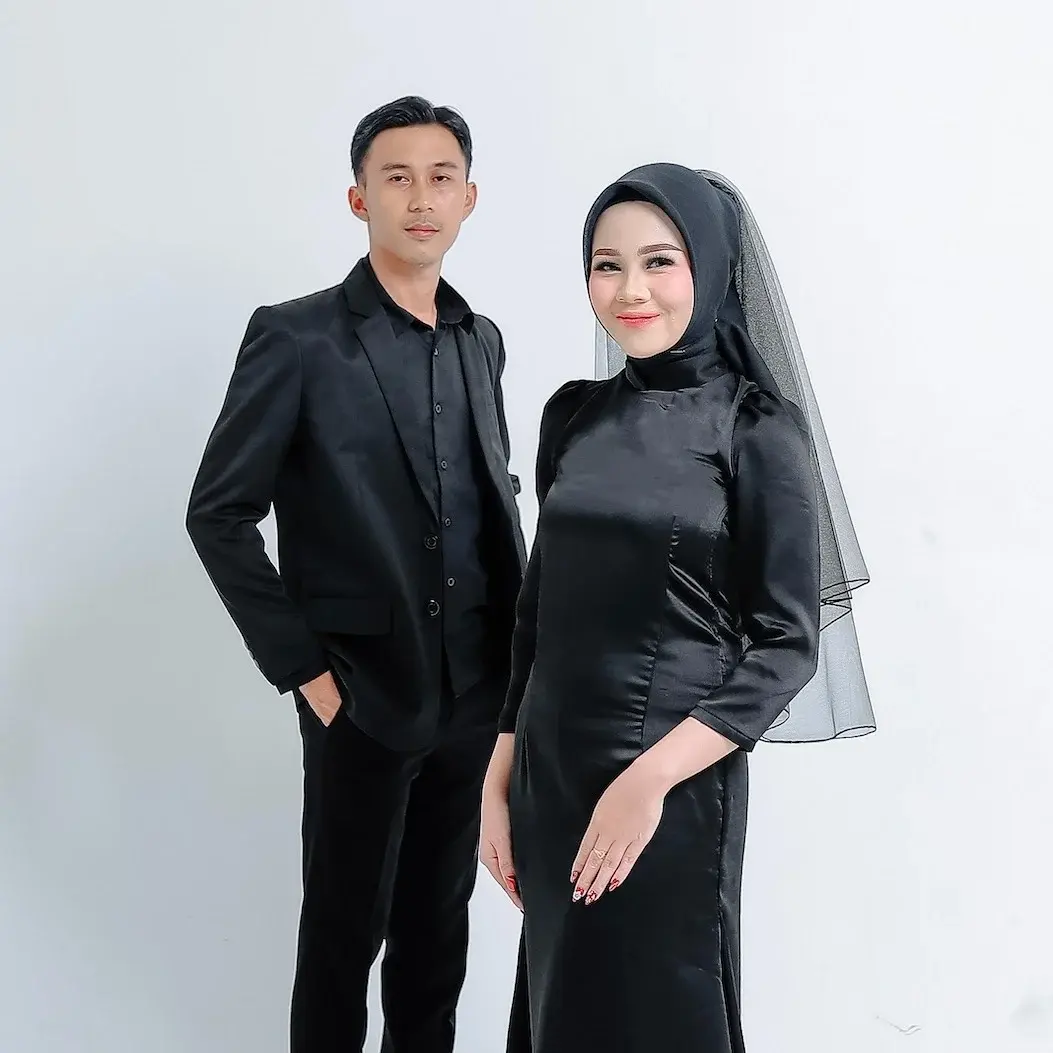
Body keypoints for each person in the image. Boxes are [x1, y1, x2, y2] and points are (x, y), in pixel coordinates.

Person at [480, 163, 871, 1052]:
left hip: (670, 784)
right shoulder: (571, 416)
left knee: (662, 1011)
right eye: (606, 264)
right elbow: (537, 613)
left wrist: (647, 779)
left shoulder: (755, 427)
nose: (629, 290)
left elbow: (785, 643)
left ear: (710, 266)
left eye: (659, 261)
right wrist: (496, 781)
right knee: (560, 1012)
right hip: (549, 776)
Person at [186, 95, 526, 1053]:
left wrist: (515, 671)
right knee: (342, 938)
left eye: (441, 178)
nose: (421, 198)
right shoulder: (296, 337)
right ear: (357, 198)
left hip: (473, 694)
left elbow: (488, 500)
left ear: (468, 199)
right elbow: (218, 513)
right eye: (396, 177)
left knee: (437, 939)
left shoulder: (481, 340)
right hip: (359, 696)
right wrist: (307, 671)